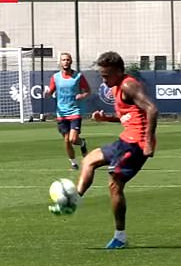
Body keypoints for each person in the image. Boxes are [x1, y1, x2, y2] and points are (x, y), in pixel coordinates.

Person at [50, 51, 158, 249]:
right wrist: (106, 119)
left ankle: (120, 237)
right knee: (89, 160)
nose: (103, 78)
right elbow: (131, 117)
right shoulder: (117, 87)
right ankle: (74, 200)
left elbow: (152, 109)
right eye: (101, 75)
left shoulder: (128, 85)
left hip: (137, 144)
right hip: (126, 139)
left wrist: (149, 142)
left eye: (106, 75)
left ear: (118, 71)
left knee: (114, 184)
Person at [45, 52, 90, 170]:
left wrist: (82, 95)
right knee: (66, 141)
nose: (65, 62)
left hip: (75, 111)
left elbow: (88, 91)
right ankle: (73, 163)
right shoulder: (55, 77)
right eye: (63, 60)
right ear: (60, 62)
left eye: (67, 60)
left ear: (71, 62)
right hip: (61, 113)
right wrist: (48, 93)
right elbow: (51, 91)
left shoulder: (78, 76)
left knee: (73, 139)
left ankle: (82, 143)